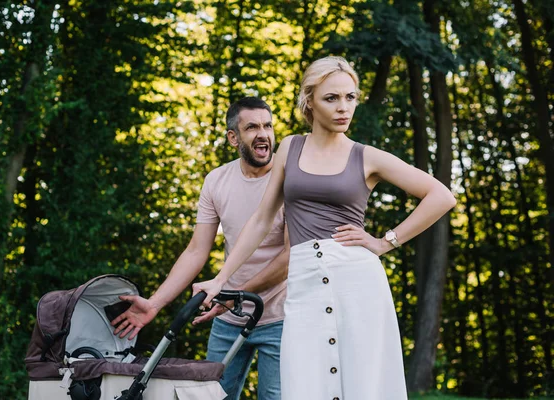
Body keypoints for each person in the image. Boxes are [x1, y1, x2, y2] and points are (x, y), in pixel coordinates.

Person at [192, 56, 457, 400]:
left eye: (350, 97)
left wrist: (384, 242)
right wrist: (222, 278)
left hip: (357, 282)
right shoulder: (289, 146)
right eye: (331, 98)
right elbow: (261, 219)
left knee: (364, 383)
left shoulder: (367, 156)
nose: (343, 108)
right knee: (304, 383)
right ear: (309, 101)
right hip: (303, 286)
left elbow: (441, 196)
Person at [111, 97, 290, 400]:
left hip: (281, 319)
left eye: (268, 125)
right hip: (227, 320)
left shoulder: (291, 180)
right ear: (233, 137)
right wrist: (154, 304)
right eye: (252, 127)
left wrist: (234, 294)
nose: (263, 134)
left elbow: (290, 256)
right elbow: (196, 251)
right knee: (211, 396)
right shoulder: (217, 181)